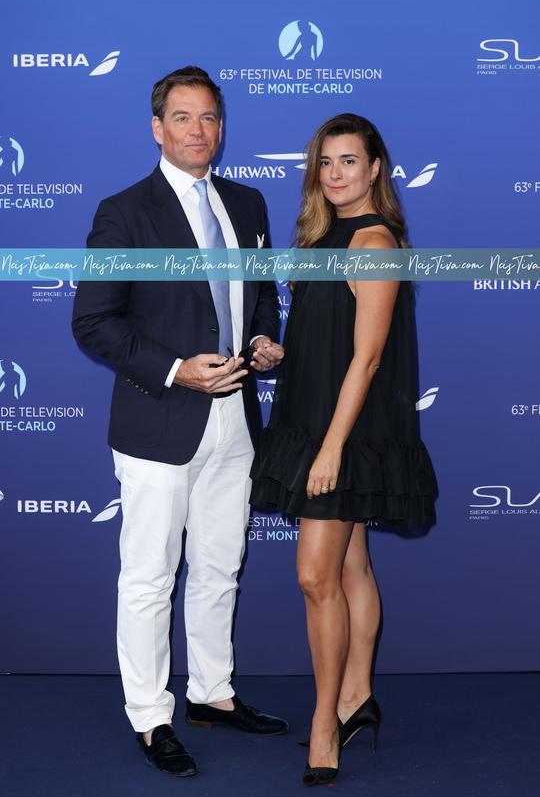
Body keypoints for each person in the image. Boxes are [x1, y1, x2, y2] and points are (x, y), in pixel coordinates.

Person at [72, 65, 287, 778]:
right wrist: (174, 368)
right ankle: (149, 716)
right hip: (160, 419)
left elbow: (256, 301)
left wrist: (260, 341)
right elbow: (94, 322)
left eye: (212, 118)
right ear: (157, 128)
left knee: (221, 565)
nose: (202, 131)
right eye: (186, 118)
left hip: (235, 419)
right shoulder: (124, 212)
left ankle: (212, 692)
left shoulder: (248, 203)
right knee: (150, 575)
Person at [250, 113, 437, 786]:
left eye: (349, 161)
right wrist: (279, 351)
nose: (335, 174)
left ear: (376, 168)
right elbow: (327, 343)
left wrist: (329, 451)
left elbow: (368, 358)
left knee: (313, 576)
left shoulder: (375, 244)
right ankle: (358, 694)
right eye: (325, 162)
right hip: (317, 417)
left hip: (346, 432)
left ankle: (326, 721)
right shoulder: (323, 239)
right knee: (351, 565)